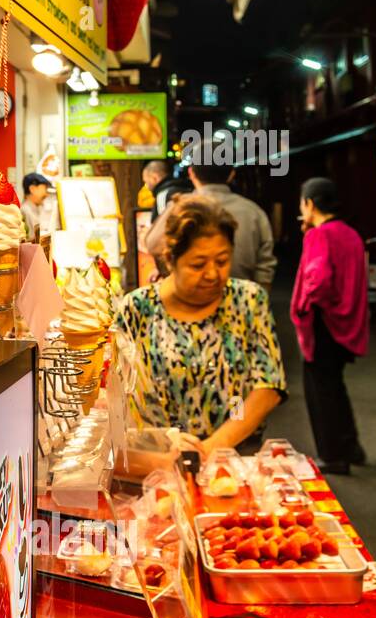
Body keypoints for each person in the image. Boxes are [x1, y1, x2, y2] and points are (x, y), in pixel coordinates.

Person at [115, 195, 287, 456]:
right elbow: (118, 394)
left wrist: (211, 448)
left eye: (222, 261)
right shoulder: (137, 308)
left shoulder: (248, 301)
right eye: (198, 264)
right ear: (171, 260)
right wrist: (162, 446)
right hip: (157, 460)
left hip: (234, 455)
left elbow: (268, 386)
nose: (212, 274)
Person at [290, 177, 368, 475]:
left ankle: (332, 454)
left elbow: (318, 278)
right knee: (335, 385)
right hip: (345, 323)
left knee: (320, 391)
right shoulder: (350, 234)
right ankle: (351, 446)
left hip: (322, 322)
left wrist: (306, 303)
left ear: (309, 203)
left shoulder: (318, 235)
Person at [145, 163, 276, 290]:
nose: (212, 274)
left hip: (189, 298)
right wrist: (257, 298)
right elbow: (265, 267)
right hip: (241, 301)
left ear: (191, 173)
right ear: (231, 174)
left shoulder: (179, 208)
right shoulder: (254, 212)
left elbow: (152, 244)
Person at [20, 171, 55, 240]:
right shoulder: (26, 210)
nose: (46, 194)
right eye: (45, 188)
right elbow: (32, 239)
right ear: (32, 189)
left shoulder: (34, 208)